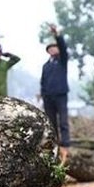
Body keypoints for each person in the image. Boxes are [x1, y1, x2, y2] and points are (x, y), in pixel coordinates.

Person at [40, 24, 70, 163]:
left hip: (61, 95)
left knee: (63, 120)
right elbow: (43, 81)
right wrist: (43, 94)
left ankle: (66, 143)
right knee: (51, 122)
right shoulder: (46, 65)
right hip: (48, 97)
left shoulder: (62, 60)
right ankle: (55, 142)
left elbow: (63, 47)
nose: (52, 49)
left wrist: (57, 35)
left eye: (54, 47)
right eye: (50, 48)